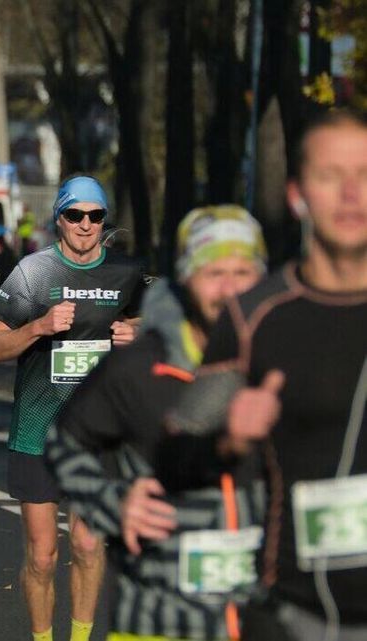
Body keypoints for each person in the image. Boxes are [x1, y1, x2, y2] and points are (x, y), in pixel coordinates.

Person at [169, 109, 367, 641]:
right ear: (299, 195)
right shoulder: (254, 317)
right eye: (332, 176)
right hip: (292, 614)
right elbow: (178, 456)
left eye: (365, 175)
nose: (352, 194)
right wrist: (231, 437)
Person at [45, 205, 269, 640]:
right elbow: (62, 444)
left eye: (242, 273)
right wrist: (114, 503)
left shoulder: (285, 362)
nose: (228, 289)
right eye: (213, 272)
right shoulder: (139, 366)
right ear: (186, 278)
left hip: (258, 616)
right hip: (156, 619)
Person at [0, 175, 148, 641]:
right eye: (75, 215)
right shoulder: (33, 272)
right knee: (41, 555)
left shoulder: (127, 274)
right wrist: (37, 326)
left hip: (100, 436)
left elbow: (171, 330)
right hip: (39, 431)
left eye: (95, 216)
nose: (86, 224)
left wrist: (140, 333)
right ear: (59, 218)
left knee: (89, 543)